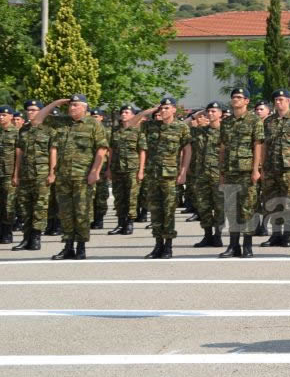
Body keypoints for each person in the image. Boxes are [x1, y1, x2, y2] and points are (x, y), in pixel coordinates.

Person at [48, 95, 109, 260]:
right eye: (70, 105)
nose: (71, 108)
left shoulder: (94, 125)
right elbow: (39, 119)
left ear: (84, 107)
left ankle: (81, 247)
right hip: (63, 176)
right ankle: (68, 247)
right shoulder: (62, 123)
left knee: (82, 212)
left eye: (75, 105)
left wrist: (95, 172)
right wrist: (56, 102)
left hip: (83, 176)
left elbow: (101, 149)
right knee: (65, 213)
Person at [131, 98, 191, 259]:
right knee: (156, 211)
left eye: (166, 108)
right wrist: (149, 111)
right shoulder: (150, 126)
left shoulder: (181, 127)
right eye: (161, 108)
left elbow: (187, 150)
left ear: (174, 110)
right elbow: (131, 124)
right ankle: (158, 245)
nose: (162, 111)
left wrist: (183, 172)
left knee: (169, 211)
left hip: (170, 176)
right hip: (153, 175)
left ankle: (168, 246)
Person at [218, 87, 265, 258]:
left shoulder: (254, 121)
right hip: (230, 171)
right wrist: (222, 172)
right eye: (233, 97)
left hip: (246, 172)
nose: (235, 100)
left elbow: (258, 145)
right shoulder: (227, 122)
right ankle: (233, 245)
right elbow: (222, 148)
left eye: (239, 97)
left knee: (247, 208)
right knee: (231, 209)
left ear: (246, 101)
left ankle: (247, 245)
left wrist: (255, 169)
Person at [260, 89, 290, 248]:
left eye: (281, 99)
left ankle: (287, 235)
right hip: (271, 167)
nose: (278, 102)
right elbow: (264, 146)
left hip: (288, 168)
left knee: (287, 203)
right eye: (276, 100)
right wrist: (262, 167)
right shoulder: (268, 121)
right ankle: (275, 235)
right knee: (272, 203)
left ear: (288, 101)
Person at [11, 100, 56, 251]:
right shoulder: (23, 130)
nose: (30, 112)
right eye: (28, 110)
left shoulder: (49, 130)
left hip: (41, 174)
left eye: (33, 109)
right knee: (25, 207)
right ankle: (26, 238)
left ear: (41, 111)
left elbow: (53, 152)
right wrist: (16, 174)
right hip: (25, 174)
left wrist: (52, 173)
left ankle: (36, 238)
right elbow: (19, 153)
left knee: (40, 206)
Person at [191, 102, 224, 247]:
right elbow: (186, 125)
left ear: (220, 114)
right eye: (208, 112)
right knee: (203, 206)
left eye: (213, 111)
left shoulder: (225, 132)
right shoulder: (200, 131)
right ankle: (207, 235)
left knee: (219, 207)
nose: (210, 114)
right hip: (201, 175)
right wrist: (198, 114)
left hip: (218, 175)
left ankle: (218, 235)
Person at [107, 105, 143, 237]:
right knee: (119, 197)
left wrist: (141, 170)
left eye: (127, 112)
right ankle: (120, 223)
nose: (123, 114)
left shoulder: (137, 130)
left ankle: (129, 223)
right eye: (122, 112)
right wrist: (109, 168)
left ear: (133, 115)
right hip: (117, 168)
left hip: (132, 168)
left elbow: (142, 151)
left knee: (131, 197)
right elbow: (111, 150)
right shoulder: (115, 130)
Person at [0, 105, 20, 244]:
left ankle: (7, 232)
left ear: (11, 116)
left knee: (8, 204)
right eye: (0, 115)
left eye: (4, 115)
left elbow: (19, 155)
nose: (1, 117)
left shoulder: (17, 133)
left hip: (9, 173)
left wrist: (16, 175)